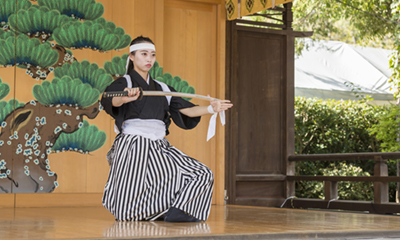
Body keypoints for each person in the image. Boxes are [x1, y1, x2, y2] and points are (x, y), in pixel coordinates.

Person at [101, 36, 233, 222]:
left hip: (159, 145)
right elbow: (109, 99)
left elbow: (187, 109)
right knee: (128, 202)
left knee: (201, 173)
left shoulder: (163, 88)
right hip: (133, 145)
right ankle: (143, 213)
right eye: (144, 54)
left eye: (152, 55)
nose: (149, 59)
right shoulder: (126, 83)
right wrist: (124, 98)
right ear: (131, 56)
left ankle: (177, 213)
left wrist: (211, 108)